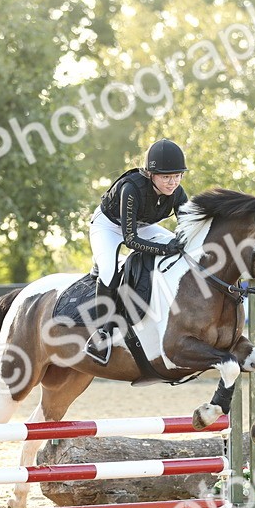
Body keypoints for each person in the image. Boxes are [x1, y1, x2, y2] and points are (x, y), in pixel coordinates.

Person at [85, 138, 189, 364]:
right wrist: (164, 248)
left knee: (180, 248)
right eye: (166, 177)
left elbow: (186, 230)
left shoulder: (178, 193)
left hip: (144, 224)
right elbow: (130, 240)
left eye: (177, 176)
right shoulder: (131, 188)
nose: (173, 182)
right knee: (110, 272)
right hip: (109, 226)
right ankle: (101, 331)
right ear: (151, 174)